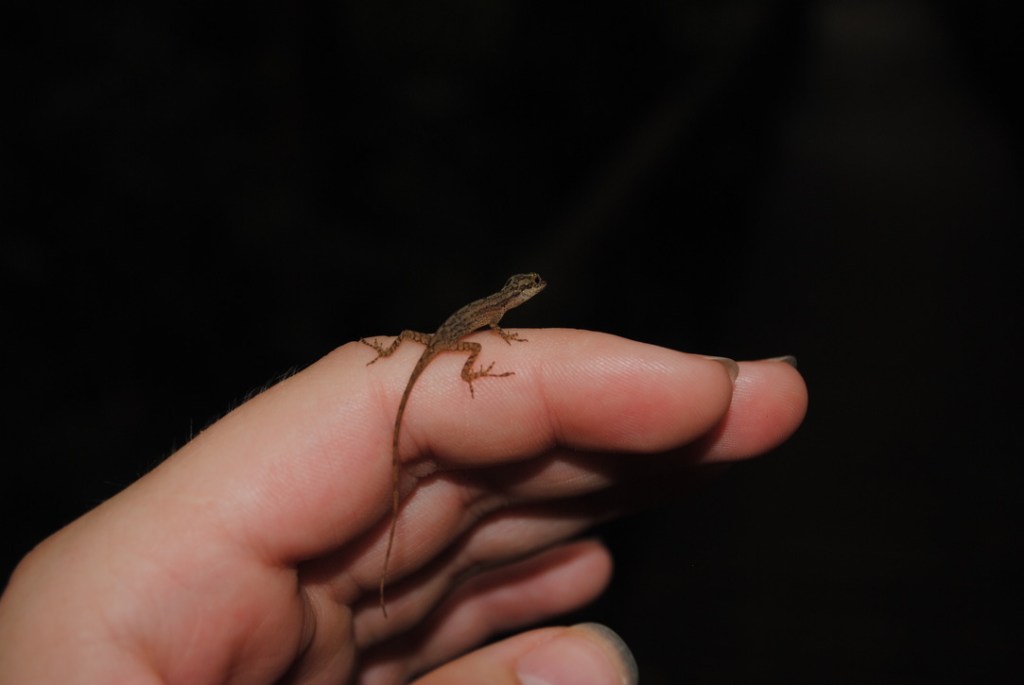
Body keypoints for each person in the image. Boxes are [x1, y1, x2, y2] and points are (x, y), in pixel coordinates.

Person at [0, 330, 807, 684]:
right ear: (514, 296)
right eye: (526, 291)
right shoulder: (483, 327)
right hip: (445, 349)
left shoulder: (489, 319)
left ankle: (400, 357)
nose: (530, 294)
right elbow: (472, 342)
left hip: (431, 342)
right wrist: (476, 365)